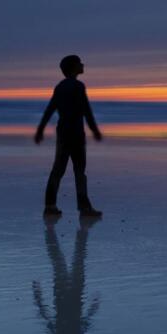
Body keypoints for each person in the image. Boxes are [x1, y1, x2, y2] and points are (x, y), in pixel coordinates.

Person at [35, 54, 103, 217]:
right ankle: (84, 208)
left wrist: (40, 129)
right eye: (80, 63)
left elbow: (50, 109)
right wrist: (95, 130)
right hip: (76, 134)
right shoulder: (78, 86)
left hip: (63, 133)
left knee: (58, 170)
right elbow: (86, 110)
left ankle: (49, 206)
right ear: (74, 67)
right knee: (79, 171)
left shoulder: (60, 87)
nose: (83, 65)